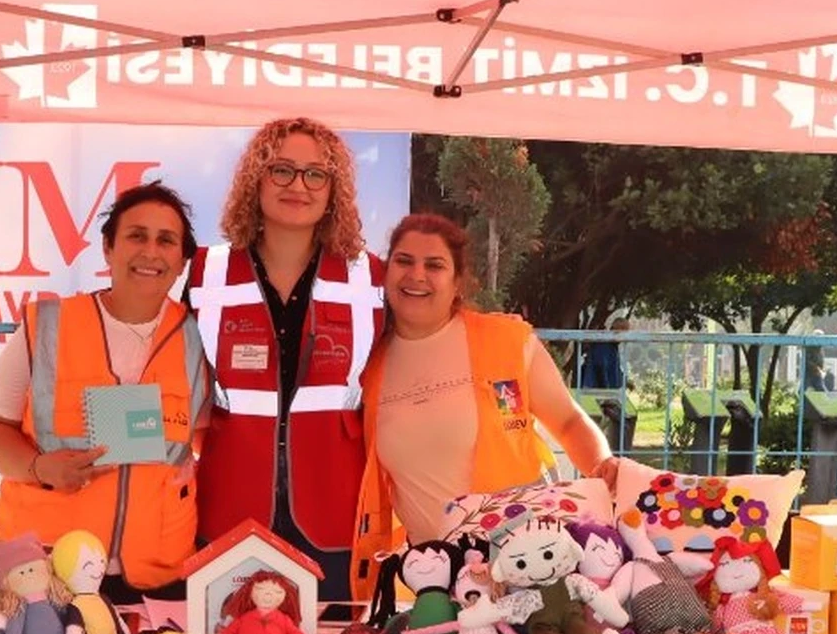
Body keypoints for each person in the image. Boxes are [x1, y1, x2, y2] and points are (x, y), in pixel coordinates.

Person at [351, 213, 619, 599]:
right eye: (404, 261)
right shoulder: (369, 363)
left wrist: (602, 465)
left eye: (435, 265)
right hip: (436, 581)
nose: (417, 275)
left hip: (527, 567)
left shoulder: (508, 340)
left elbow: (568, 420)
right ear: (386, 270)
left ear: (458, 280)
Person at [0, 182, 210, 600]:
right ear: (108, 248)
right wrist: (40, 468)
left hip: (159, 579)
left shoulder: (198, 337)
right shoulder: (47, 326)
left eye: (166, 241)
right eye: (137, 235)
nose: (151, 252)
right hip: (46, 573)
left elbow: (203, 441)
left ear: (182, 260)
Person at [186, 118, 385, 601]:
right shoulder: (203, 271)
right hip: (229, 506)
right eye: (281, 170)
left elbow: (431, 333)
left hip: (335, 515)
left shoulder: (370, 276)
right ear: (255, 180)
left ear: (333, 189)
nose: (299, 185)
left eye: (316, 174)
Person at [580, 318, 628, 389]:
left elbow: (613, 369)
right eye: (624, 332)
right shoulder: (604, 345)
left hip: (601, 388)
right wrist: (606, 390)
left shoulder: (612, 346)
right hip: (597, 389)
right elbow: (600, 367)